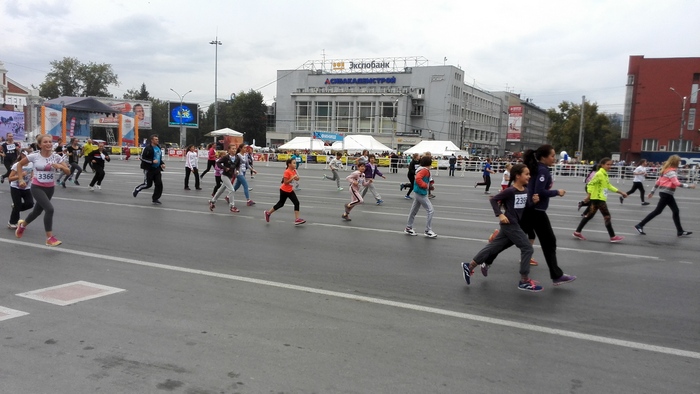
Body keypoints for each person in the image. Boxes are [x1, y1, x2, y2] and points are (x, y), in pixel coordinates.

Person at [461, 164, 543, 291]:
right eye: (526, 174)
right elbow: (493, 200)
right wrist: (500, 215)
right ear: (517, 176)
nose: (529, 176)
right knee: (527, 248)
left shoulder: (525, 191)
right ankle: (524, 280)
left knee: (494, 246)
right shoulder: (510, 190)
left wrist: (534, 202)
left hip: (514, 225)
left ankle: (469, 266)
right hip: (510, 224)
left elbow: (526, 208)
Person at [520, 144, 576, 286]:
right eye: (552, 155)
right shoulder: (542, 170)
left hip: (531, 209)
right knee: (549, 242)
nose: (554, 158)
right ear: (544, 157)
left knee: (510, 238)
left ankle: (484, 260)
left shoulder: (537, 168)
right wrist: (557, 192)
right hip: (536, 211)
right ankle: (556, 275)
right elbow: (540, 192)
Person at [14, 134, 70, 246]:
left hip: (50, 188)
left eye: (50, 142)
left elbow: (68, 171)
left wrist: (61, 167)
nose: (48, 144)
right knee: (49, 209)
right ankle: (49, 238)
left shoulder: (56, 157)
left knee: (37, 211)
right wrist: (20, 179)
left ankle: (23, 225)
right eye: (45, 142)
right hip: (37, 187)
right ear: (40, 145)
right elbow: (19, 165)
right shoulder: (34, 156)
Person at [634, 154, 696, 237]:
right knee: (659, 211)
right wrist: (689, 186)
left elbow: (658, 182)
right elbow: (676, 183)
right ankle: (640, 225)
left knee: (674, 211)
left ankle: (680, 231)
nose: (680, 162)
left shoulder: (666, 170)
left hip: (665, 193)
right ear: (675, 162)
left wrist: (652, 192)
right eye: (679, 161)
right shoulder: (671, 172)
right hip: (666, 194)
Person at [573, 158, 627, 242]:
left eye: (610, 164)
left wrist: (621, 192)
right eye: (608, 164)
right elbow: (590, 184)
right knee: (607, 216)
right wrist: (589, 196)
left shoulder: (604, 174)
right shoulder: (599, 174)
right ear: (602, 165)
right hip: (598, 198)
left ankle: (577, 232)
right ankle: (612, 236)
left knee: (589, 216)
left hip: (599, 198)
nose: (610, 166)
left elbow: (608, 186)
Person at [264, 159, 306, 225]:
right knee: (281, 204)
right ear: (289, 164)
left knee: (296, 203)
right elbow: (285, 182)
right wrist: (293, 177)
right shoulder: (287, 172)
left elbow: (296, 178)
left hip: (290, 190)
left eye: (295, 163)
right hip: (284, 190)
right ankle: (268, 213)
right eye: (294, 163)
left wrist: (297, 178)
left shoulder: (293, 171)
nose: (295, 164)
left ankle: (297, 219)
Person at [404, 155, 437, 237]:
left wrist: (429, 186)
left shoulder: (421, 169)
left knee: (413, 211)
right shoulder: (425, 170)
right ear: (428, 163)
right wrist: (426, 186)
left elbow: (422, 179)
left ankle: (408, 227)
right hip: (421, 193)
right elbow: (418, 178)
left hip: (418, 192)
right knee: (430, 210)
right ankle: (428, 230)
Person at [133, 134, 166, 204]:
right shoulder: (148, 148)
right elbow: (142, 158)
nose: (157, 140)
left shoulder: (158, 147)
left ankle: (155, 198)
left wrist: (162, 163)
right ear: (152, 140)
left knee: (159, 184)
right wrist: (151, 161)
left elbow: (159, 158)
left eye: (157, 139)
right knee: (148, 184)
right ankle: (137, 189)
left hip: (157, 169)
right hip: (149, 169)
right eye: (156, 139)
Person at [7, 148, 34, 229]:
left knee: (30, 204)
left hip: (26, 188)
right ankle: (12, 222)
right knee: (17, 205)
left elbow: (32, 173)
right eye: (28, 156)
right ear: (22, 155)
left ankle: (16, 207)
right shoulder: (17, 165)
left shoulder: (32, 164)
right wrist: (20, 175)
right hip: (15, 187)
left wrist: (32, 177)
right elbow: (10, 178)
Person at [209, 144, 240, 213]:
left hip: (230, 176)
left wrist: (237, 170)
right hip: (224, 176)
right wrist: (224, 168)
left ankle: (212, 201)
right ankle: (232, 206)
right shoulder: (226, 157)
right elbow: (218, 163)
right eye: (232, 149)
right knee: (232, 190)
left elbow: (238, 165)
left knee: (221, 190)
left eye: (235, 149)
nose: (234, 150)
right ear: (229, 150)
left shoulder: (237, 157)